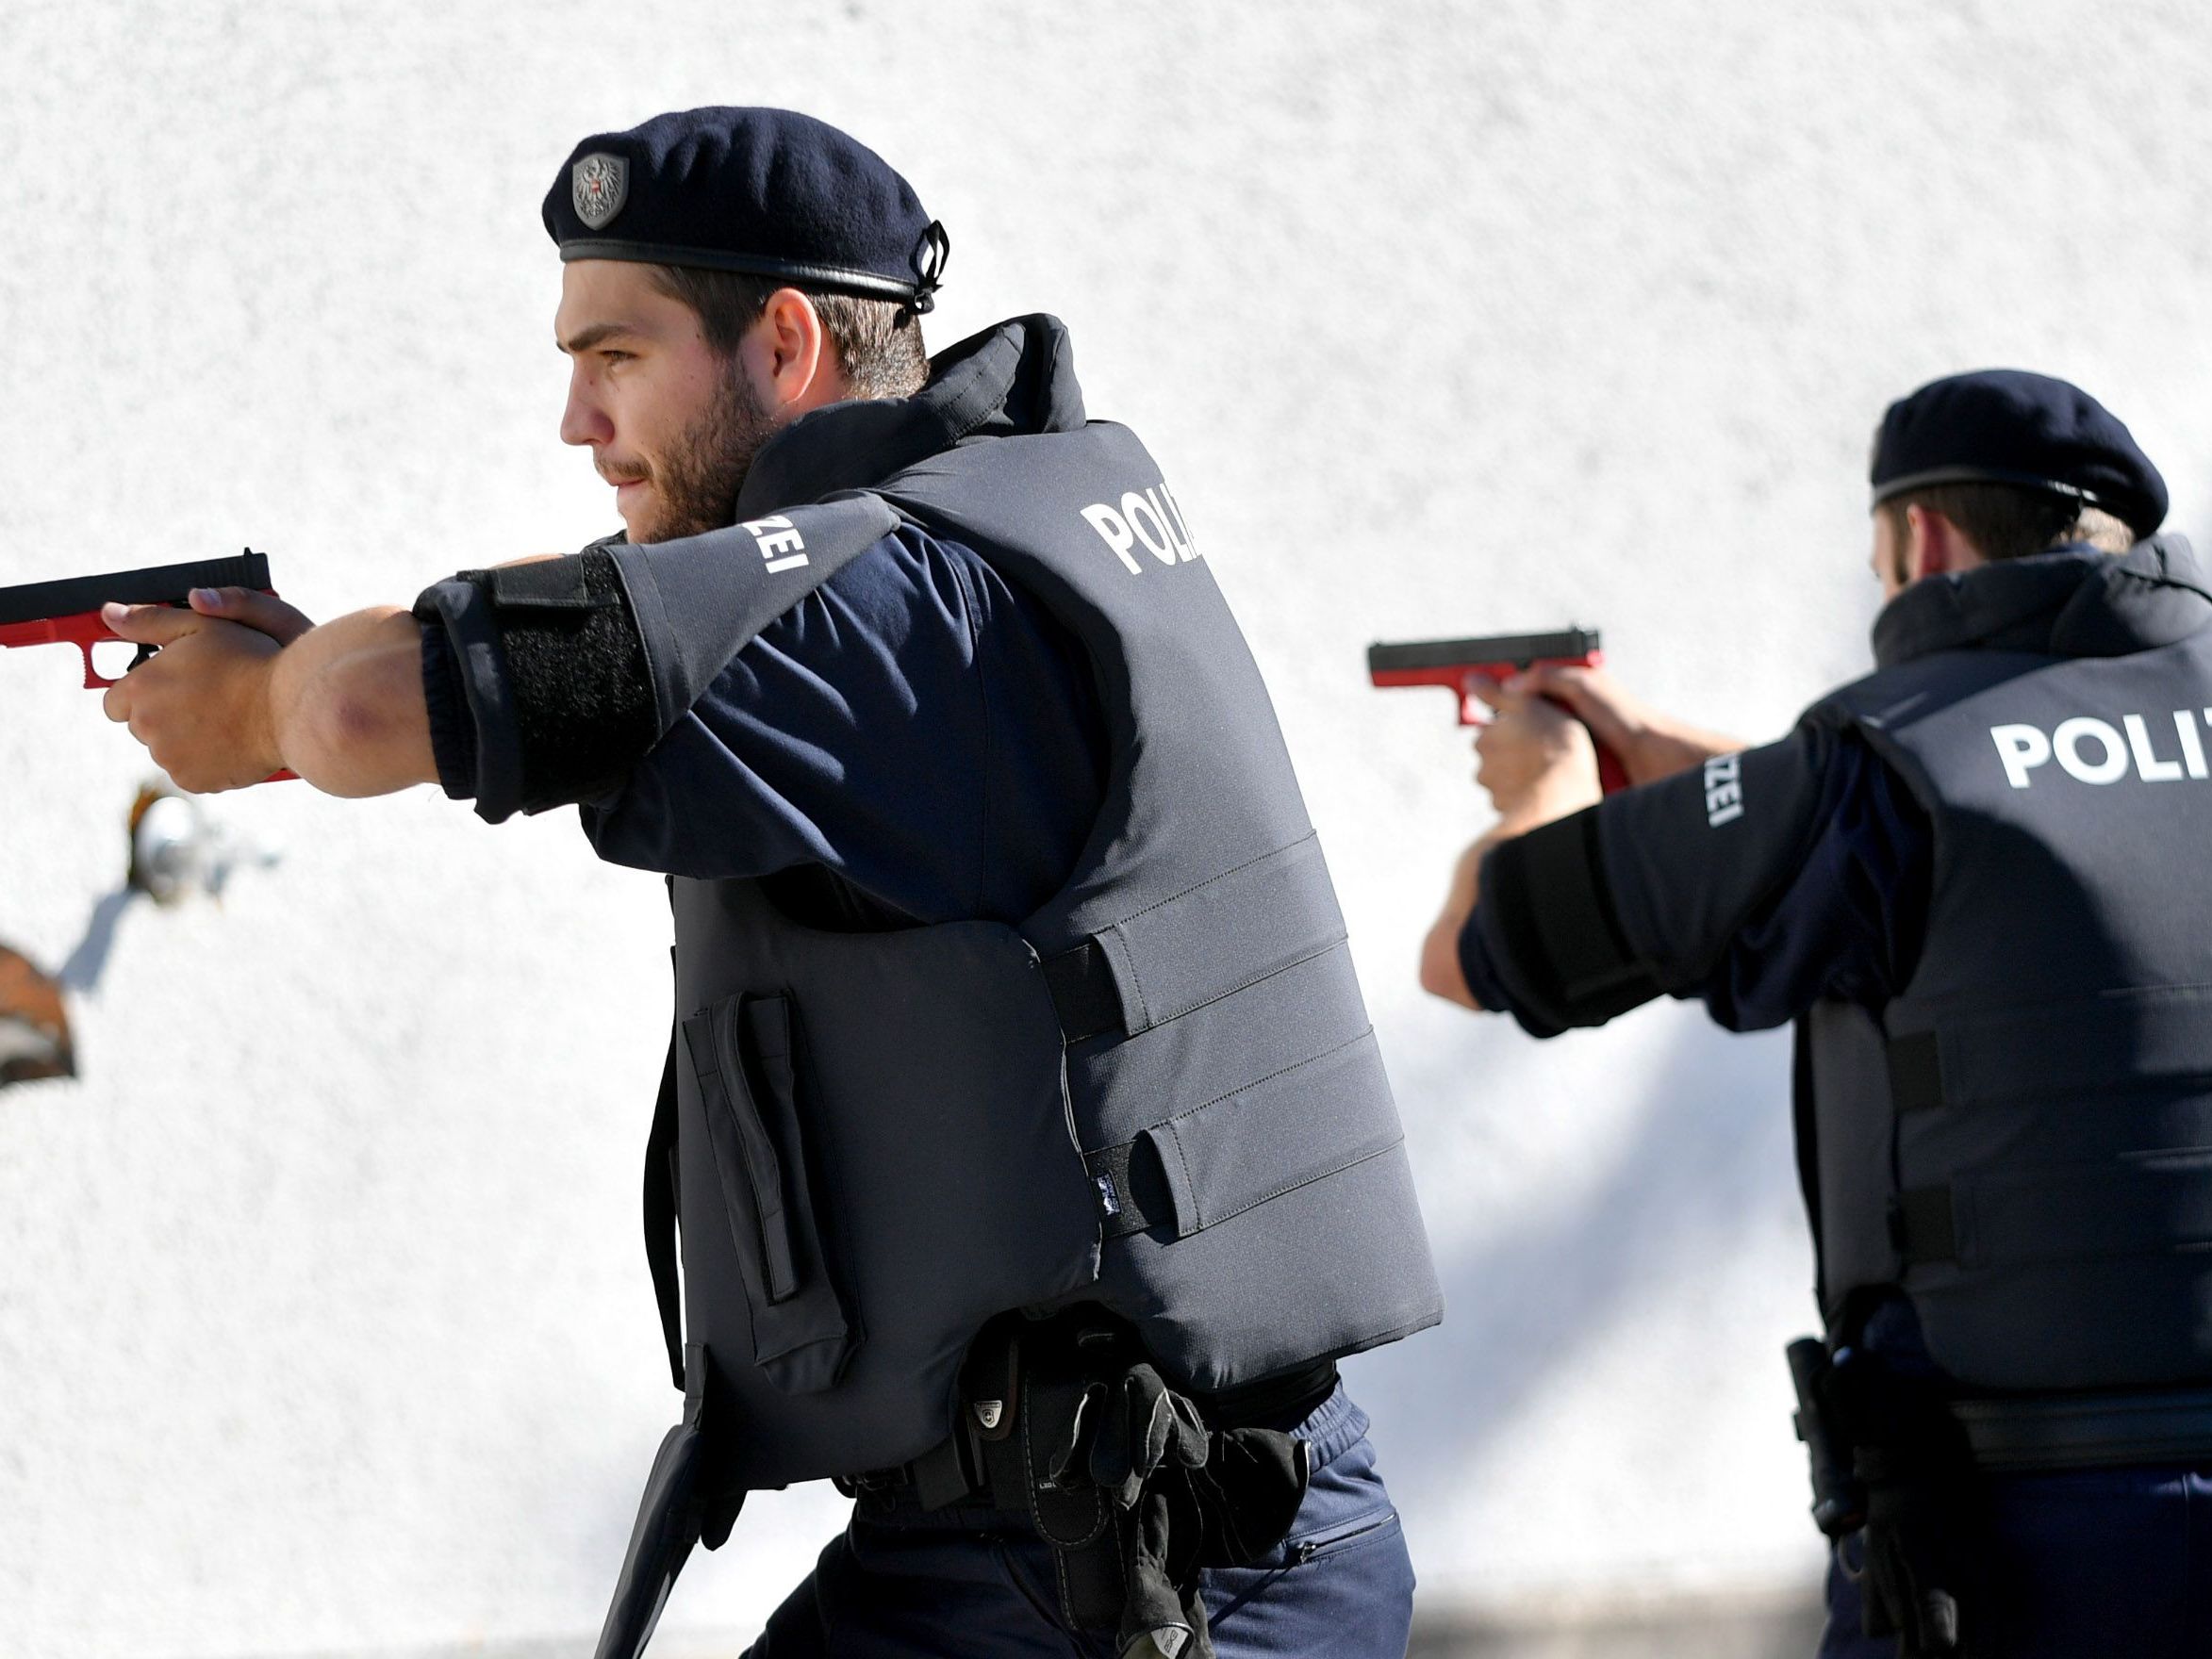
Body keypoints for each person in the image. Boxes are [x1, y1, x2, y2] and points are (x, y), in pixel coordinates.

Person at [99, 107, 1440, 1659]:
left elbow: (368, 708)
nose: (574, 424)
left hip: (1158, 1574)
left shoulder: (903, 596)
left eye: (614, 358)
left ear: (786, 344)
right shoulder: (972, 537)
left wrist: (268, 713)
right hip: (1042, 1550)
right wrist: (327, 689)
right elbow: (535, 671)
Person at [1420, 369, 2212, 1658]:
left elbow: (1479, 948)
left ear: (1924, 542)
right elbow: (1971, 831)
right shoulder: (1903, 774)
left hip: (2022, 1534)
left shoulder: (1876, 770)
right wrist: (1663, 747)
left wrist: (1545, 780)